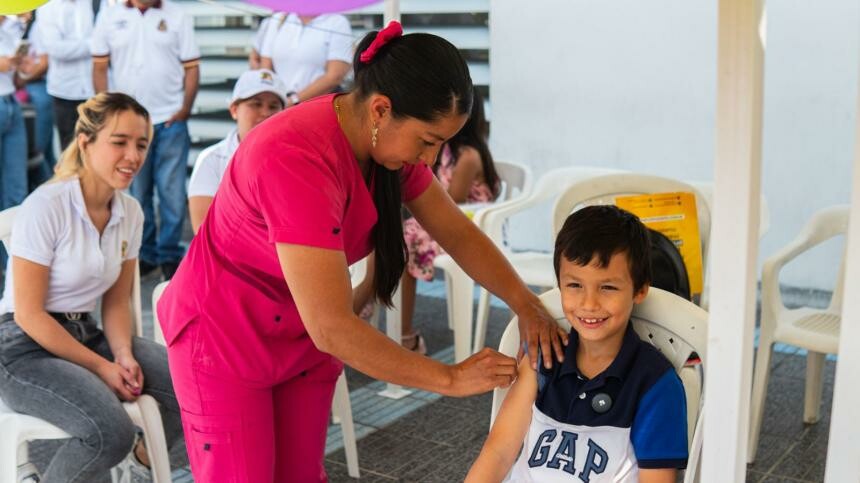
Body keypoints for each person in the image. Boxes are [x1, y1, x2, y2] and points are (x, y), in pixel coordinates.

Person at [158, 22, 565, 482]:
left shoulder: (384, 144)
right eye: (427, 141)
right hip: (224, 333)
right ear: (380, 110)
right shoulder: (294, 156)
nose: (430, 160)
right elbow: (332, 326)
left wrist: (526, 303)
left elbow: (457, 233)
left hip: (300, 333)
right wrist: (449, 378)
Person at [0, 92, 183, 482]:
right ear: (85, 142)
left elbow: (116, 301)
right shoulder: (47, 206)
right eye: (119, 142)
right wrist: (103, 367)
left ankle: (141, 462)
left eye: (141, 144)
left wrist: (123, 354)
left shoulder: (130, 212)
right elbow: (29, 315)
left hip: (84, 331)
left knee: (192, 387)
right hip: (22, 346)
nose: (132, 156)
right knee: (109, 433)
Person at [466, 205, 689, 483]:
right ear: (559, 284)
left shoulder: (655, 383)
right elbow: (499, 452)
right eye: (575, 285)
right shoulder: (544, 355)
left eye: (608, 287)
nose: (589, 304)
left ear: (640, 290)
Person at [91, 0, 200, 280]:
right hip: (131, 126)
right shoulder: (110, 15)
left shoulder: (177, 15)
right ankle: (146, 253)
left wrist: (185, 109)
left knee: (172, 194)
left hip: (170, 120)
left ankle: (170, 255)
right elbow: (100, 67)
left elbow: (192, 67)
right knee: (138, 193)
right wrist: (109, 112)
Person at [187, 68, 286, 233]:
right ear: (234, 110)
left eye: (273, 106)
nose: (265, 113)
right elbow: (204, 232)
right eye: (256, 104)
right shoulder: (212, 159)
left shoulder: (292, 162)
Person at [36, 0, 101, 149]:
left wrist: (97, 43)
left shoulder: (96, 2)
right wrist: (96, 44)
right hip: (65, 92)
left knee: (99, 147)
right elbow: (56, 49)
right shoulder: (47, 7)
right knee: (70, 150)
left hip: (96, 89)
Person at [259, 12, 352, 107]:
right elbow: (265, 69)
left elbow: (335, 76)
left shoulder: (337, 22)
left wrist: (293, 101)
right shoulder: (278, 18)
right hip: (281, 104)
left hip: (318, 104)